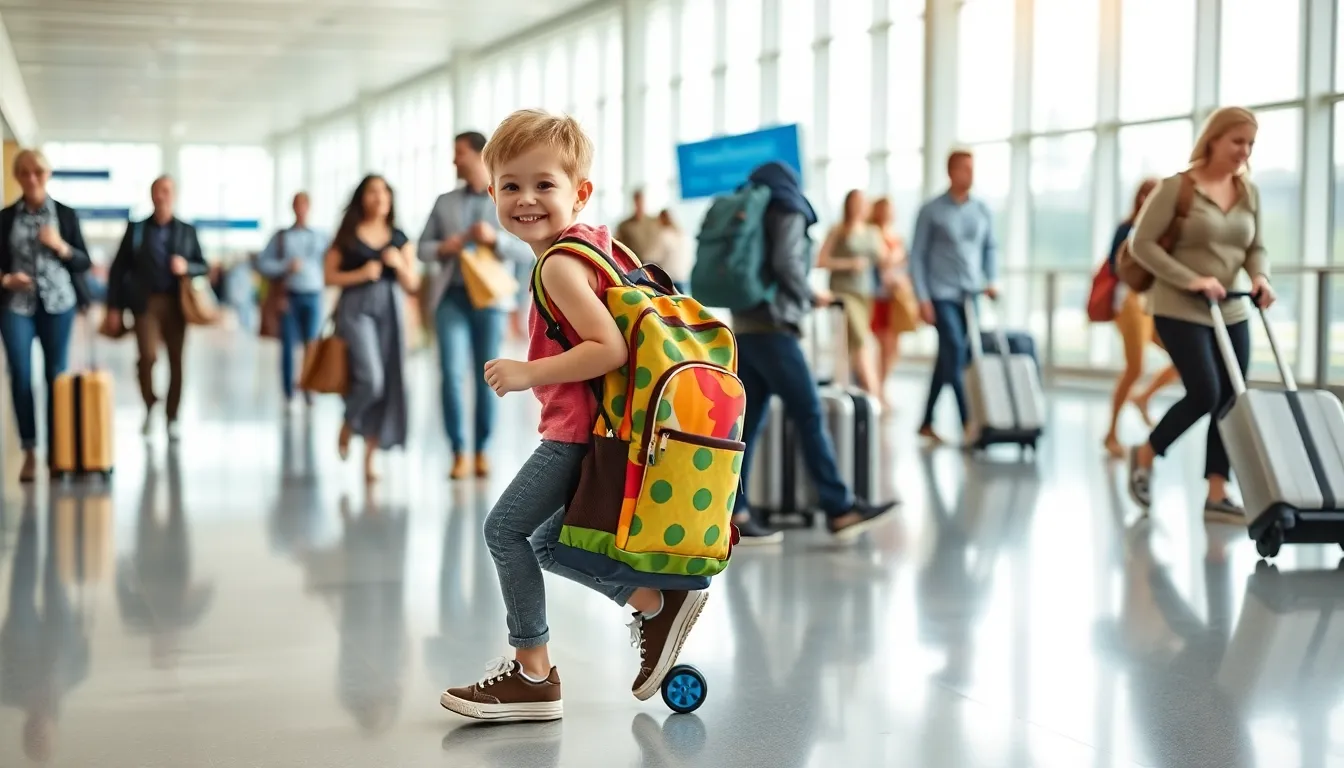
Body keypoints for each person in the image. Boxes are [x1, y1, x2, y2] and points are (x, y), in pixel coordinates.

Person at [438, 109, 706, 723]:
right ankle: (650, 601)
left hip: (577, 434)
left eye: (544, 185)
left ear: (579, 192)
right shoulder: (597, 247)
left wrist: (526, 372)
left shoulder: (558, 264)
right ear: (491, 193)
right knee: (545, 541)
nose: (525, 199)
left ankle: (534, 675)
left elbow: (606, 348)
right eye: (510, 186)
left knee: (503, 531)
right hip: (611, 430)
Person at [729, 162, 899, 545]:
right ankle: (840, 508)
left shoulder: (750, 206)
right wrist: (810, 295)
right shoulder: (786, 206)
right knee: (807, 412)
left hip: (746, 327)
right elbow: (788, 263)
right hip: (774, 328)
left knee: (748, 425)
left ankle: (733, 513)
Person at [1126, 106, 1275, 523]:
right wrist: (1190, 278)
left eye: (1250, 144)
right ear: (1213, 140)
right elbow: (1142, 245)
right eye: (1237, 141)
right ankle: (1147, 451)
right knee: (1206, 392)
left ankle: (1216, 492)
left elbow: (1255, 246)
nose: (1244, 151)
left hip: (1231, 307)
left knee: (1231, 399)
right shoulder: (1178, 188)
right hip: (1179, 307)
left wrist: (1260, 277)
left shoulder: (1249, 192)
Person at [419, 131, 536, 480]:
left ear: (478, 155)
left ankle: (482, 450)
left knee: (489, 377)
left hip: (491, 300)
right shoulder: (443, 203)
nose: (454, 160)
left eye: (459, 153)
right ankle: (458, 451)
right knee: (451, 375)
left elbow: (525, 249)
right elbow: (421, 249)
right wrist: (444, 247)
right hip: (451, 297)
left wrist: (495, 240)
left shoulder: (505, 196)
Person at [0, 149, 92, 483]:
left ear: (47, 175)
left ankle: (58, 451)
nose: (32, 179)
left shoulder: (65, 215)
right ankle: (29, 451)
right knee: (21, 376)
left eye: (37, 172)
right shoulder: (6, 218)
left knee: (56, 375)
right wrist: (6, 279)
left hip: (58, 303)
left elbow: (83, 262)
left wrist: (60, 246)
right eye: (24, 173)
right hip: (16, 305)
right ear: (17, 177)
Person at [324, 175, 421, 483]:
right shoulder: (348, 235)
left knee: (389, 381)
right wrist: (362, 273)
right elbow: (329, 276)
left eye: (384, 192)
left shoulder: (399, 237)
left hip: (390, 309)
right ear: (361, 198)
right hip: (355, 310)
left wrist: (399, 265)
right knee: (371, 380)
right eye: (372, 191)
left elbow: (413, 283)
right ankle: (348, 420)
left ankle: (369, 458)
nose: (379, 197)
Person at [104, 175, 208, 441]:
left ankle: (172, 417)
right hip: (144, 303)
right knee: (147, 357)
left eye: (166, 191)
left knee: (176, 361)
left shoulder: (186, 230)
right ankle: (150, 405)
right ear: (151, 196)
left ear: (174, 194)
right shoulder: (137, 229)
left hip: (176, 303)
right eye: (157, 191)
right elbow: (118, 269)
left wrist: (187, 267)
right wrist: (113, 307)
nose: (161, 196)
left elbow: (203, 264)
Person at [908, 149, 1000, 445]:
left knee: (947, 357)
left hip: (970, 293)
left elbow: (990, 248)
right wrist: (922, 298)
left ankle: (925, 421)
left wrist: (991, 280)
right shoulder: (931, 210)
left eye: (972, 169)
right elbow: (917, 256)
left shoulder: (981, 210)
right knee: (956, 354)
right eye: (964, 169)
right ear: (951, 172)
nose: (970, 175)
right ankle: (969, 422)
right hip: (940, 293)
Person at [1102, 180, 1179, 459]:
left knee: (1182, 359)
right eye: (1144, 194)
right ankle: (1111, 433)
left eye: (1154, 195)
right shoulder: (1127, 228)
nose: (1148, 199)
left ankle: (1144, 397)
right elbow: (1115, 266)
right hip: (1131, 301)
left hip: (1156, 302)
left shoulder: (1166, 231)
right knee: (1135, 367)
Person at [255, 191, 329, 408]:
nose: (301, 209)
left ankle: (309, 386)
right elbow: (262, 263)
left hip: (314, 295)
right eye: (297, 205)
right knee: (288, 345)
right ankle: (289, 393)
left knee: (312, 344)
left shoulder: (321, 237)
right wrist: (285, 267)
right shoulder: (281, 237)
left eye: (304, 205)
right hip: (289, 297)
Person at [816, 189, 883, 400]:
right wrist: (849, 264)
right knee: (862, 343)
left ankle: (855, 389)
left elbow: (885, 258)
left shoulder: (872, 232)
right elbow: (821, 261)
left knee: (855, 345)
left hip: (865, 293)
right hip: (843, 294)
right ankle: (874, 394)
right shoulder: (838, 230)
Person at [868, 197, 918, 397]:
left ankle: (880, 385)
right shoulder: (873, 234)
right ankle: (877, 389)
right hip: (879, 297)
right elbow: (883, 262)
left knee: (894, 348)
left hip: (896, 297)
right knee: (883, 345)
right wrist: (896, 255)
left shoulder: (896, 236)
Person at [646, 209, 690, 293]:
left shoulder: (664, 235)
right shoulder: (682, 234)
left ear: (661, 220)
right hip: (684, 277)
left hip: (670, 278)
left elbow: (654, 257)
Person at [615, 189, 660, 257]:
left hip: (652, 261)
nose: (639, 205)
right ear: (634, 202)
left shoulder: (654, 223)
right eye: (637, 202)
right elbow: (618, 245)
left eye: (641, 202)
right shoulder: (625, 226)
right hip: (632, 262)